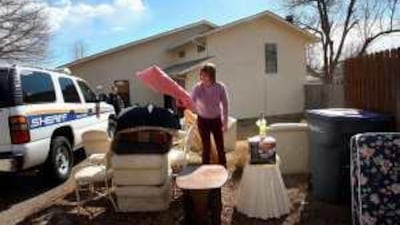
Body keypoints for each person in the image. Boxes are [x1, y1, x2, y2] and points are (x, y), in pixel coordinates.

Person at [191, 63, 229, 167]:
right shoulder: (198, 88)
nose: (201, 77)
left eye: (204, 75)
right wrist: (185, 102)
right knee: (206, 147)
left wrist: (225, 123)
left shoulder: (220, 87)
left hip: (216, 120)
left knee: (220, 146)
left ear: (211, 76)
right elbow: (191, 101)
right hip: (203, 121)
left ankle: (223, 167)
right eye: (201, 75)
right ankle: (205, 169)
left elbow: (225, 105)